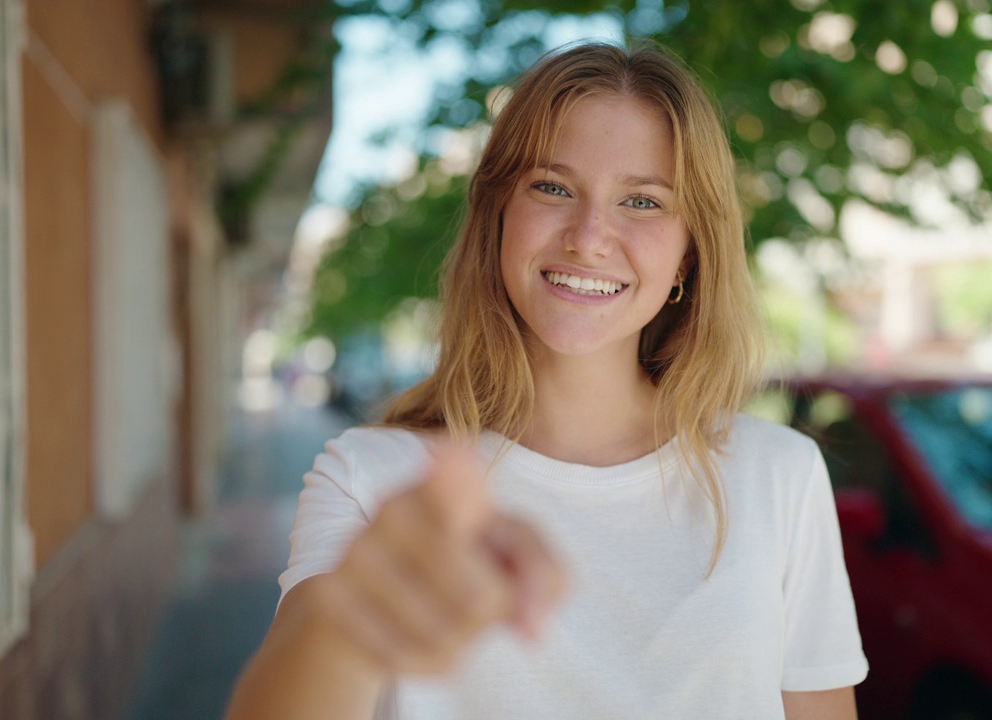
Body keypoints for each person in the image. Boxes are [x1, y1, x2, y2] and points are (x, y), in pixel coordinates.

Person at [225, 41, 867, 720]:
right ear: (499, 216)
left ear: (689, 254)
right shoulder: (372, 479)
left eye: (643, 203)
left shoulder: (780, 476)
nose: (589, 236)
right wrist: (354, 614)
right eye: (553, 187)